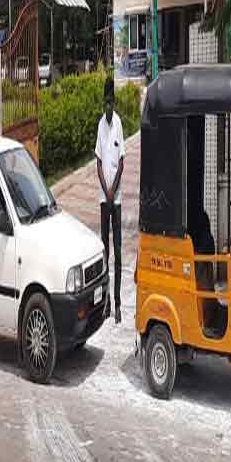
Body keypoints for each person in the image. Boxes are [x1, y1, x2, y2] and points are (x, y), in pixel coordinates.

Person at [95, 77, 125, 324]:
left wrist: (113, 190)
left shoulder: (118, 124)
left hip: (116, 200)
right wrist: (105, 190)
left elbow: (122, 161)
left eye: (110, 103)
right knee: (104, 251)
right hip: (103, 200)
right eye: (105, 102)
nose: (108, 107)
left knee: (118, 253)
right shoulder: (100, 126)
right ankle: (105, 303)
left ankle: (117, 304)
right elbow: (98, 161)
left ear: (114, 103)